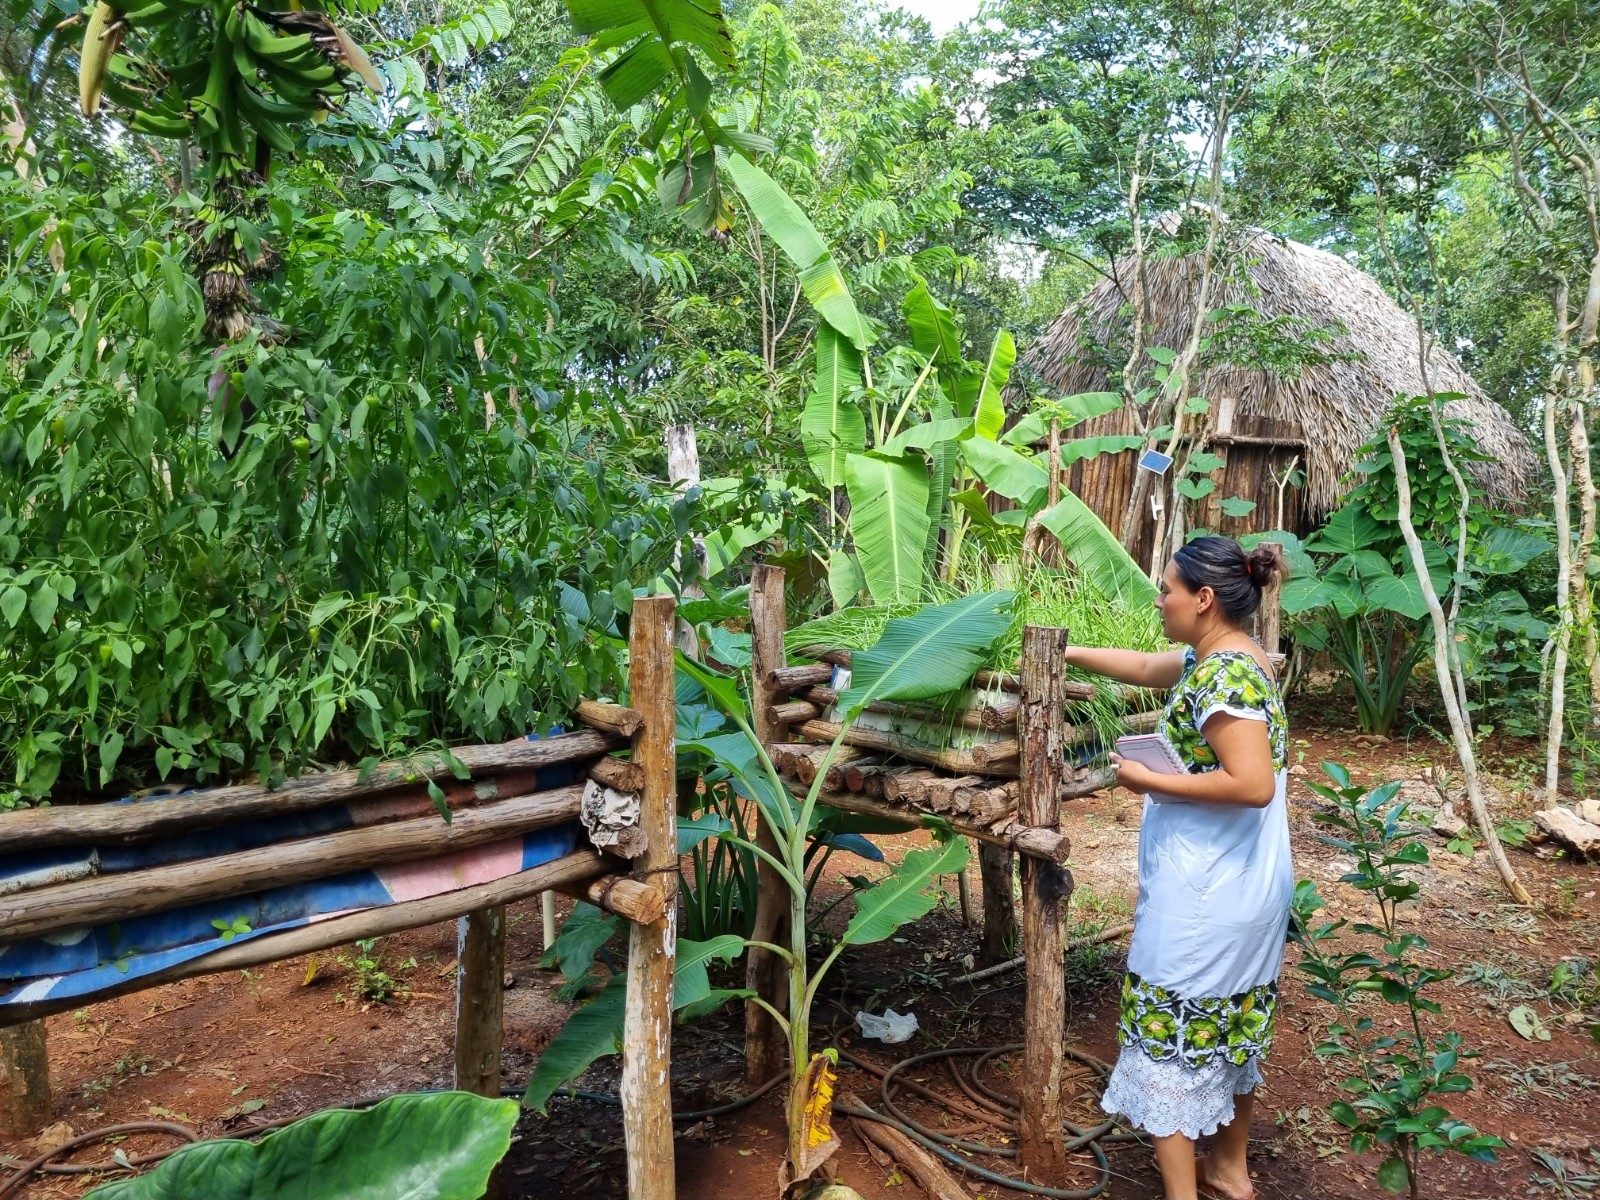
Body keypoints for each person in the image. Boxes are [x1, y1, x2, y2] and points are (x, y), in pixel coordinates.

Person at [1064, 536, 1291, 1200]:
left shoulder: (1226, 676)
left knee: (1166, 1029)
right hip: (1244, 878)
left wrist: (1146, 781)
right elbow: (1141, 666)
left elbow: (1252, 783)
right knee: (1229, 1024)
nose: (1158, 600)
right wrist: (1065, 650)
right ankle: (1227, 1170)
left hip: (1210, 891)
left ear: (1204, 598)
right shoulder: (1226, 655)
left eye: (1166, 589)